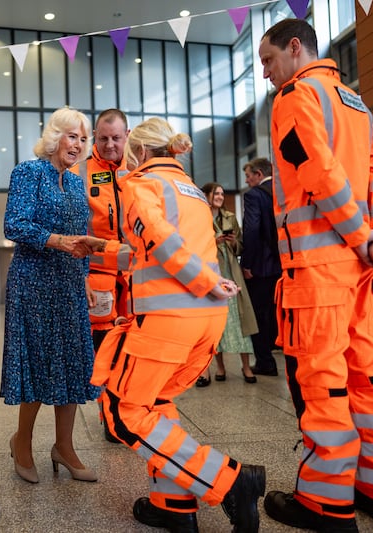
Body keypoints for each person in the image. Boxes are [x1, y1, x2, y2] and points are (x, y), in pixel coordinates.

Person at [258, 19, 373, 531]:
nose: (264, 74)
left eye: (268, 60)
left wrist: (361, 236)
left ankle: (326, 500)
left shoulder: (295, 97)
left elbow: (320, 173)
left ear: (295, 48)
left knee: (324, 382)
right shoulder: (355, 102)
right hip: (360, 272)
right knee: (371, 376)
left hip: (319, 269)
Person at [92, 117, 266, 533]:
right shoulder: (189, 190)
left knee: (122, 411)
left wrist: (209, 282)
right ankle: (172, 504)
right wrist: (97, 251)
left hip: (170, 319)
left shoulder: (140, 184)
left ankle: (231, 481)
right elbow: (150, 251)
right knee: (155, 404)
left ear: (139, 151)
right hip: (203, 319)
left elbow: (162, 241)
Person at [1, 107, 101, 485]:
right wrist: (56, 240)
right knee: (39, 362)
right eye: (71, 136)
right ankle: (21, 441)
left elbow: (80, 235)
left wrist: (86, 278)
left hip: (70, 282)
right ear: (54, 136)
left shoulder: (77, 183)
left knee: (73, 362)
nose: (77, 144)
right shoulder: (29, 172)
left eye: (82, 138)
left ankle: (64, 446)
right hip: (33, 280)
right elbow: (15, 223)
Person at [73, 108, 131, 443]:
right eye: (103, 137)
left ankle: (131, 412)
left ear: (127, 135)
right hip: (98, 276)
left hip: (137, 277)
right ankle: (110, 418)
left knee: (134, 349)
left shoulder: (138, 168)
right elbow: (72, 229)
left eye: (116, 138)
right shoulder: (81, 172)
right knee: (105, 353)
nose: (109, 145)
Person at [197, 182, 258, 386]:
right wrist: (215, 241)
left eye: (223, 193)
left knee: (240, 319)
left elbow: (240, 246)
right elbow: (194, 245)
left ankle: (246, 366)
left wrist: (231, 241)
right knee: (216, 322)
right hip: (211, 271)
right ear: (206, 195)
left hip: (230, 271)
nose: (220, 197)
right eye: (217, 193)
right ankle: (220, 368)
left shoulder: (230, 217)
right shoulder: (199, 216)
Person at [240, 158, 282, 377]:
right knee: (277, 312)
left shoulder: (254, 194)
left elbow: (252, 230)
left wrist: (247, 263)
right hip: (283, 262)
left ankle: (265, 361)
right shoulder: (281, 191)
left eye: (248, 176)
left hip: (261, 265)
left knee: (258, 314)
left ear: (258, 174)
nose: (247, 181)